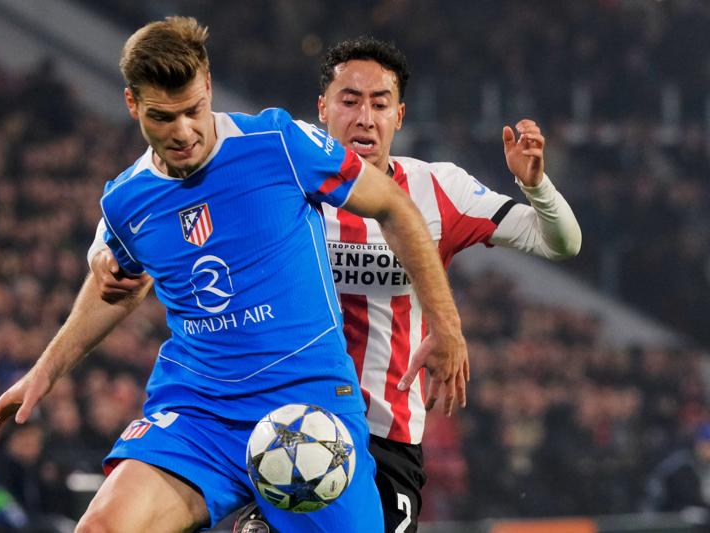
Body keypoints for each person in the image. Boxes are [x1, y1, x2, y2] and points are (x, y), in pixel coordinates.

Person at [0, 19, 469, 533]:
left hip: (306, 408)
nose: (183, 132)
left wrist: (444, 322)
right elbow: (115, 287)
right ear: (132, 104)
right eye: (163, 117)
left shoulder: (278, 142)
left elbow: (394, 206)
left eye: (193, 110)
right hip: (199, 413)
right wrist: (44, 372)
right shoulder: (127, 200)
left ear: (208, 86)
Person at [90, 36, 581, 532]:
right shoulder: (287, 176)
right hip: (277, 412)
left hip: (385, 434)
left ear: (399, 116)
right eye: (349, 101)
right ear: (322, 109)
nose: (364, 117)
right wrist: (99, 249)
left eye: (379, 104)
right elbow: (158, 199)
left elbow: (561, 242)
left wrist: (535, 186)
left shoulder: (438, 188)